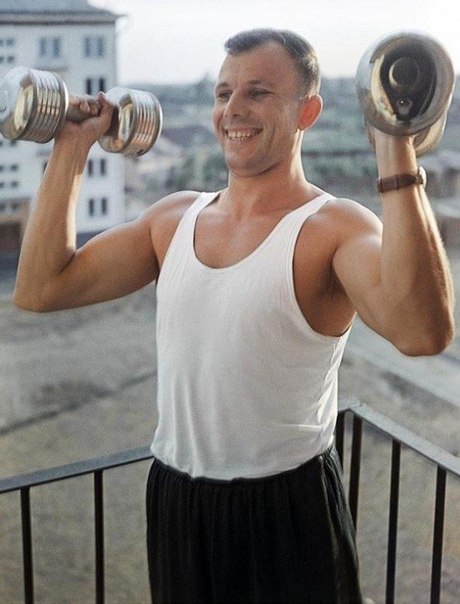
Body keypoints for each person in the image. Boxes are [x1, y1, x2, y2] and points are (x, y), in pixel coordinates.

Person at [13, 28, 454, 604]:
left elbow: (422, 333)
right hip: (178, 500)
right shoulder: (173, 218)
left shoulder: (334, 227)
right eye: (224, 94)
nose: (233, 110)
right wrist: (71, 146)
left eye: (259, 93)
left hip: (287, 510)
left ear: (308, 112)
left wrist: (394, 142)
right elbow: (41, 287)